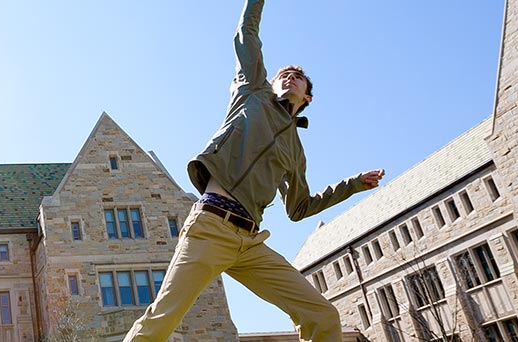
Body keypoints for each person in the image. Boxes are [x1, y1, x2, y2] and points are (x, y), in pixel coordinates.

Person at [121, 1, 384, 341]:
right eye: (283, 74)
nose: (289, 77)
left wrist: (353, 185)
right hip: (211, 227)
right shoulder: (252, 93)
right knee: (162, 320)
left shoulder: (296, 151)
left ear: (307, 97)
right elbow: (246, 34)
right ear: (271, 82)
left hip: (251, 242)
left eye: (298, 76)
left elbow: (299, 208)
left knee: (322, 315)